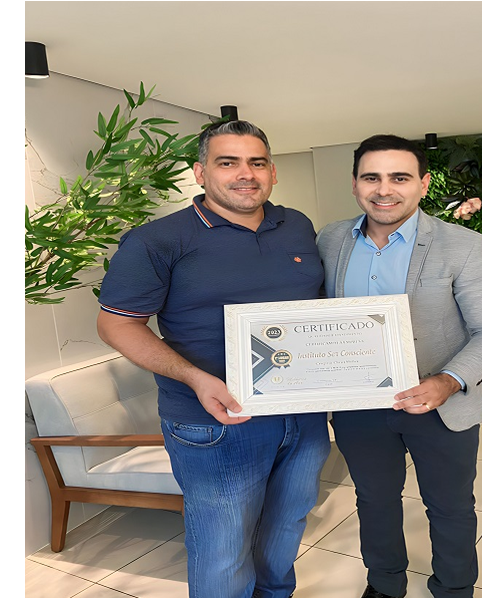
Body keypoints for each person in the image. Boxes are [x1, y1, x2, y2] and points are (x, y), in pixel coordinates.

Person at [96, 120, 330, 598]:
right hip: (215, 421)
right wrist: (195, 377)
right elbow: (116, 324)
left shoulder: (297, 225)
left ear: (273, 172)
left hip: (302, 412)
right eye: (228, 163)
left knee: (286, 525)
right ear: (201, 173)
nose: (245, 174)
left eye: (257, 163)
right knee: (223, 549)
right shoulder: (157, 241)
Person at [316, 134, 482, 598]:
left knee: (450, 506)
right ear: (355, 184)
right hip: (359, 405)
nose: (384, 189)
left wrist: (448, 380)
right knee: (374, 500)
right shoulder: (330, 239)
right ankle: (385, 585)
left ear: (423, 184)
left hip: (440, 406)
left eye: (400, 177)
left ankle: (454, 588)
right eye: (372, 177)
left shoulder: (462, 245)